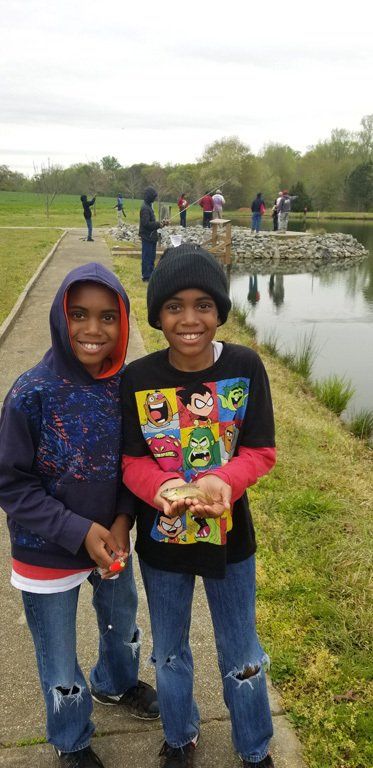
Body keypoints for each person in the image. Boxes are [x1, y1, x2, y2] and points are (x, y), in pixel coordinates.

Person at [121, 244, 277, 768]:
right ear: (158, 314)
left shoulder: (246, 365)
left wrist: (223, 480)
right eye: (174, 306)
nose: (190, 319)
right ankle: (180, 736)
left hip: (232, 541)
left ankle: (254, 748)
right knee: (169, 652)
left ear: (220, 312)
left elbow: (260, 450)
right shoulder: (137, 378)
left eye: (204, 305)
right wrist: (158, 490)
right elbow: (131, 460)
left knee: (242, 654)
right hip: (162, 544)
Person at [0, 262, 158, 768]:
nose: (94, 330)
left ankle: (115, 683)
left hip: (110, 540)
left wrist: (121, 519)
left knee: (122, 622)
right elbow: (12, 483)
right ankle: (71, 739)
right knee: (58, 655)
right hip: (45, 551)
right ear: (58, 317)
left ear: (124, 323)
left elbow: (132, 462)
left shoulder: (125, 388)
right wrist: (75, 529)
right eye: (79, 315)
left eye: (108, 317)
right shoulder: (31, 393)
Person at [139, 186, 166, 283]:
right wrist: (158, 224)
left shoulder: (148, 206)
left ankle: (150, 275)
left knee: (151, 257)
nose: (154, 199)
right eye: (153, 197)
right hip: (147, 237)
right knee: (147, 257)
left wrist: (161, 224)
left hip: (151, 237)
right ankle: (146, 276)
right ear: (149, 197)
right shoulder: (145, 208)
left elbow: (151, 223)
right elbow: (146, 224)